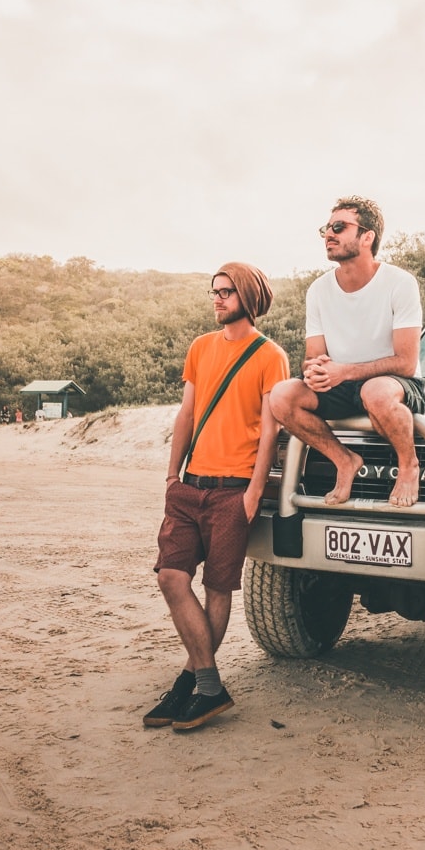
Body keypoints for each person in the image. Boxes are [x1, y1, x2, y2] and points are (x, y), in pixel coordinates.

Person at [146, 262, 290, 732]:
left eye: (226, 292)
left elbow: (270, 431)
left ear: (247, 297)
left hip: (234, 491)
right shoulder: (200, 348)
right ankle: (208, 685)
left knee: (217, 589)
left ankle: (192, 685)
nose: (217, 299)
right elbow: (187, 414)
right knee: (171, 577)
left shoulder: (271, 355)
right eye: (214, 291)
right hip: (190, 486)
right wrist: (172, 476)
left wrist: (253, 492)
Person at [268, 195, 425, 507]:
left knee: (376, 392)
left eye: (339, 227)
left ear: (367, 236)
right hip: (341, 386)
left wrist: (346, 370)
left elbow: (406, 364)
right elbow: (315, 355)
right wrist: (314, 371)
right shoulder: (318, 290)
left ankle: (408, 465)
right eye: (326, 228)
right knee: (282, 395)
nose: (329, 234)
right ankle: (344, 460)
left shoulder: (400, 283)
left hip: (396, 384)